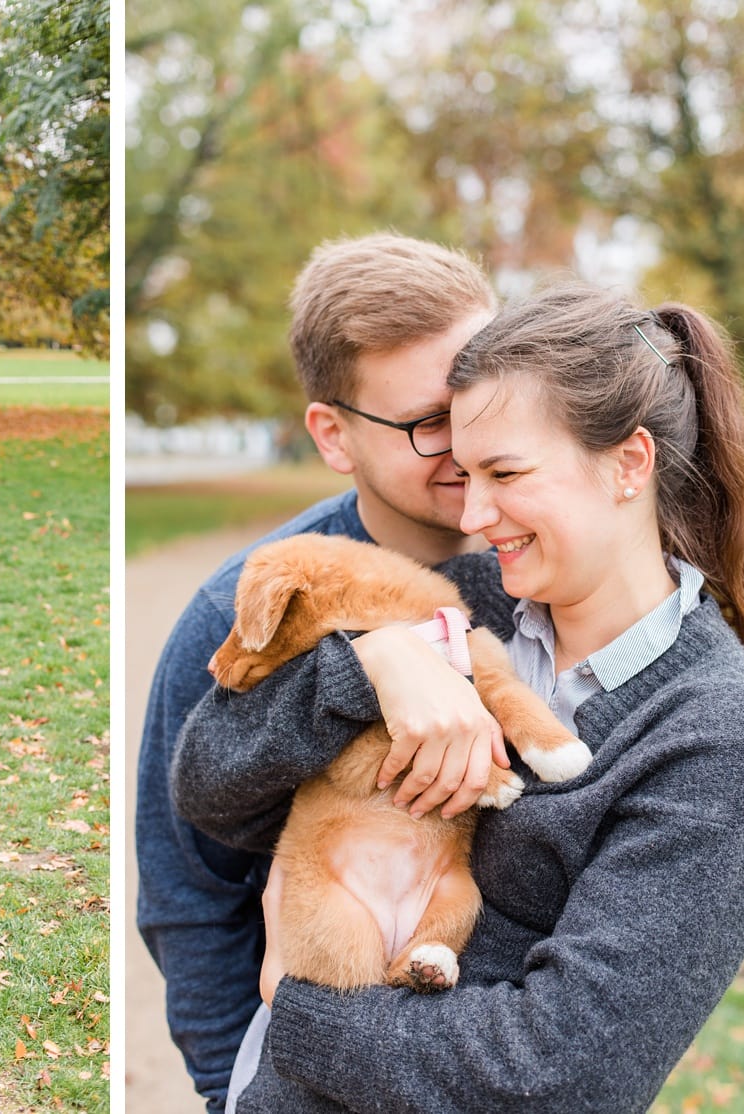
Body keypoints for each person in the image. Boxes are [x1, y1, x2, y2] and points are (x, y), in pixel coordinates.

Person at [173, 282, 744, 1113]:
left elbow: (563, 1078)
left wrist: (300, 1007)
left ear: (629, 464)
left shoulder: (718, 727)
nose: (474, 510)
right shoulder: (462, 598)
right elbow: (209, 792)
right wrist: (371, 663)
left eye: (504, 472)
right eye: (464, 473)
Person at [137, 233, 518, 1112]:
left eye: (481, 399)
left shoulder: (546, 575)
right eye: (430, 421)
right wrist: (234, 1090)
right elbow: (187, 890)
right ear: (333, 434)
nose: (468, 442)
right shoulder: (250, 610)